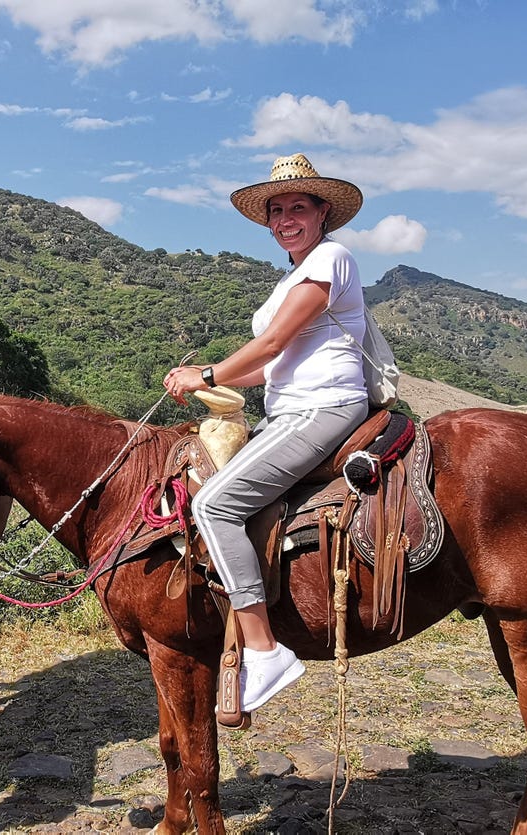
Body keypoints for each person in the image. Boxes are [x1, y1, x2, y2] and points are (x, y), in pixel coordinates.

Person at [163, 153, 370, 712]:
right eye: (276, 210)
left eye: (297, 206)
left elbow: (274, 343)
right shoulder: (292, 278)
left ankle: (264, 647)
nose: (285, 218)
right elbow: (267, 368)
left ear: (324, 211)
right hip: (289, 407)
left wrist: (205, 373)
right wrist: (212, 380)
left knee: (213, 505)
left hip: (322, 407)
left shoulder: (331, 257)